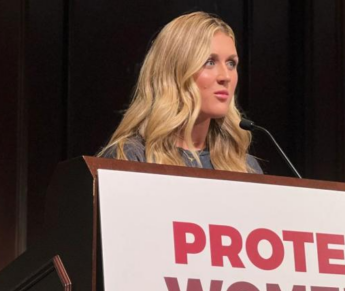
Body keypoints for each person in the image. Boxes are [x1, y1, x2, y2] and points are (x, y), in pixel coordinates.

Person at [98, 12, 262, 174]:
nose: (226, 76)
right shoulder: (131, 157)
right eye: (210, 62)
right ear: (174, 73)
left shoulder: (244, 166)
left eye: (231, 63)